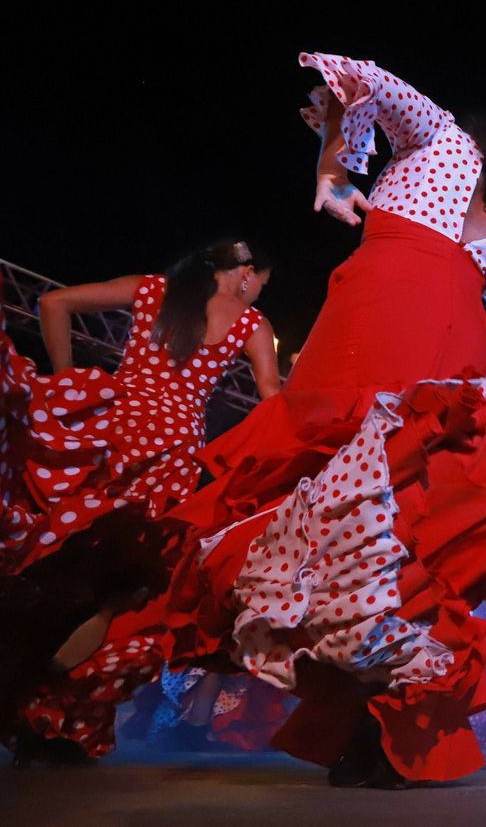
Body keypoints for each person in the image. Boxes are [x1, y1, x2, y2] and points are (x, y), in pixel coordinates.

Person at [40, 51, 486, 787]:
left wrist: (333, 164)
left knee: (333, 507)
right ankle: (378, 731)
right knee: (398, 527)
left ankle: (104, 663)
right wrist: (339, 145)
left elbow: (364, 78)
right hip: (423, 331)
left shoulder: (444, 142)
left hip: (387, 319)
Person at [1, 240, 279, 765]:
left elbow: (52, 303)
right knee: (125, 593)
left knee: (63, 561)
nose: (261, 289)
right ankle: (58, 716)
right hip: (173, 450)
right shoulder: (250, 322)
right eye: (262, 280)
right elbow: (270, 401)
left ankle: (25, 692)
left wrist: (64, 377)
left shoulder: (153, 289)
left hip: (112, 427)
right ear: (245, 273)